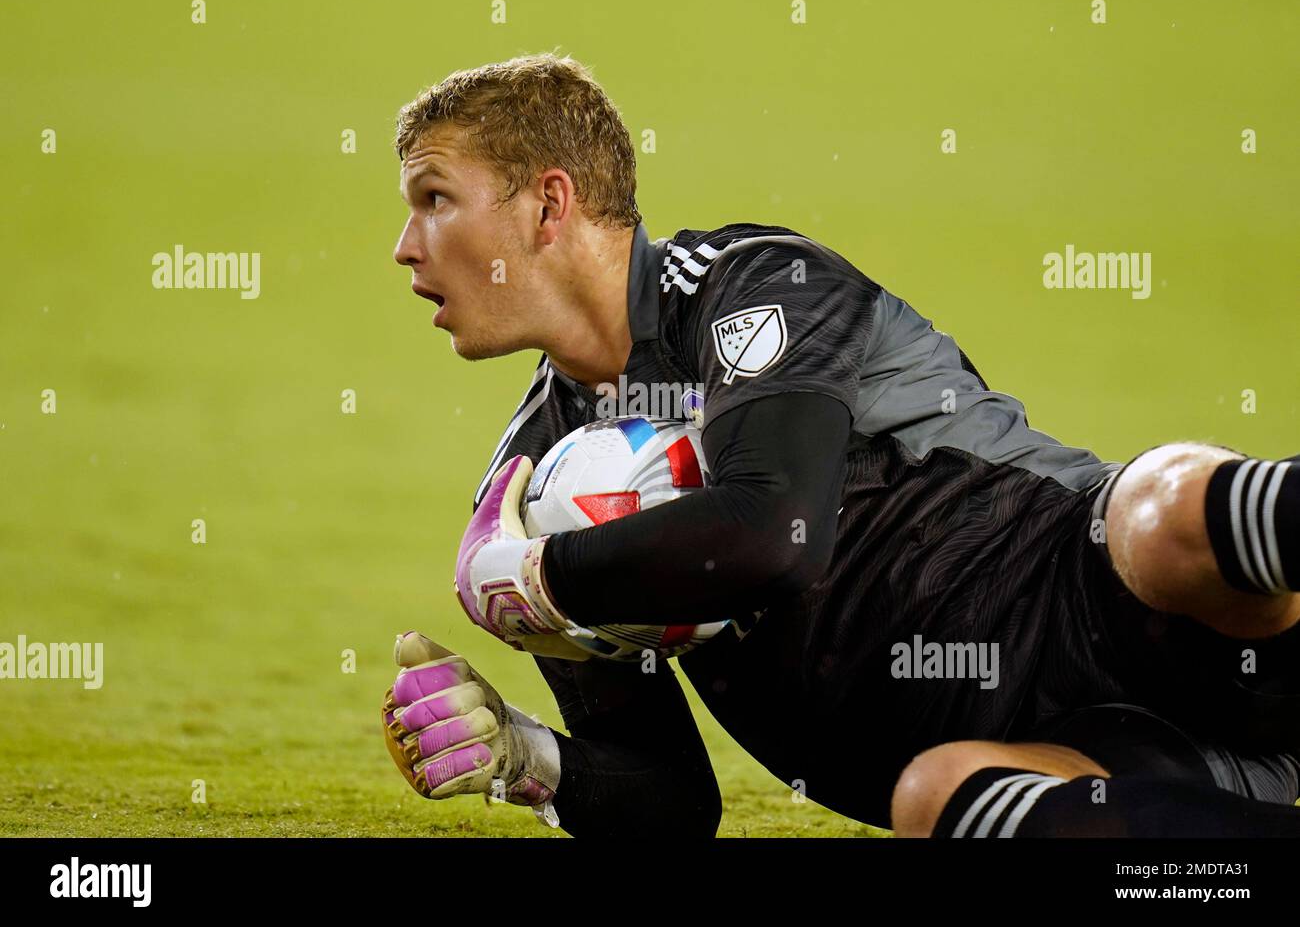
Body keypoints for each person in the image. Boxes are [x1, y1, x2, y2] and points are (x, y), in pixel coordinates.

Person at [382, 52, 1300, 837]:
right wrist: (526, 754)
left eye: (434, 199)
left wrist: (539, 579)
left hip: (1112, 606)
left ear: (549, 205)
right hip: (1072, 755)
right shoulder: (531, 483)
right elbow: (667, 801)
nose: (403, 248)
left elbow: (770, 537)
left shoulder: (753, 283)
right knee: (934, 798)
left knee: (1161, 506)